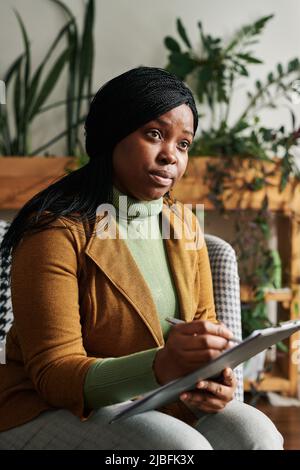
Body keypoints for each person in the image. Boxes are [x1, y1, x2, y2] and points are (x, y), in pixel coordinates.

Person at [0, 66, 283, 450]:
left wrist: (216, 378)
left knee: (256, 435)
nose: (171, 156)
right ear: (113, 133)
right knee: (180, 448)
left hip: (159, 397)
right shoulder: (54, 231)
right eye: (154, 134)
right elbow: (54, 374)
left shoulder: (183, 222)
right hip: (48, 404)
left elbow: (204, 325)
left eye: (184, 144)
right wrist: (161, 366)